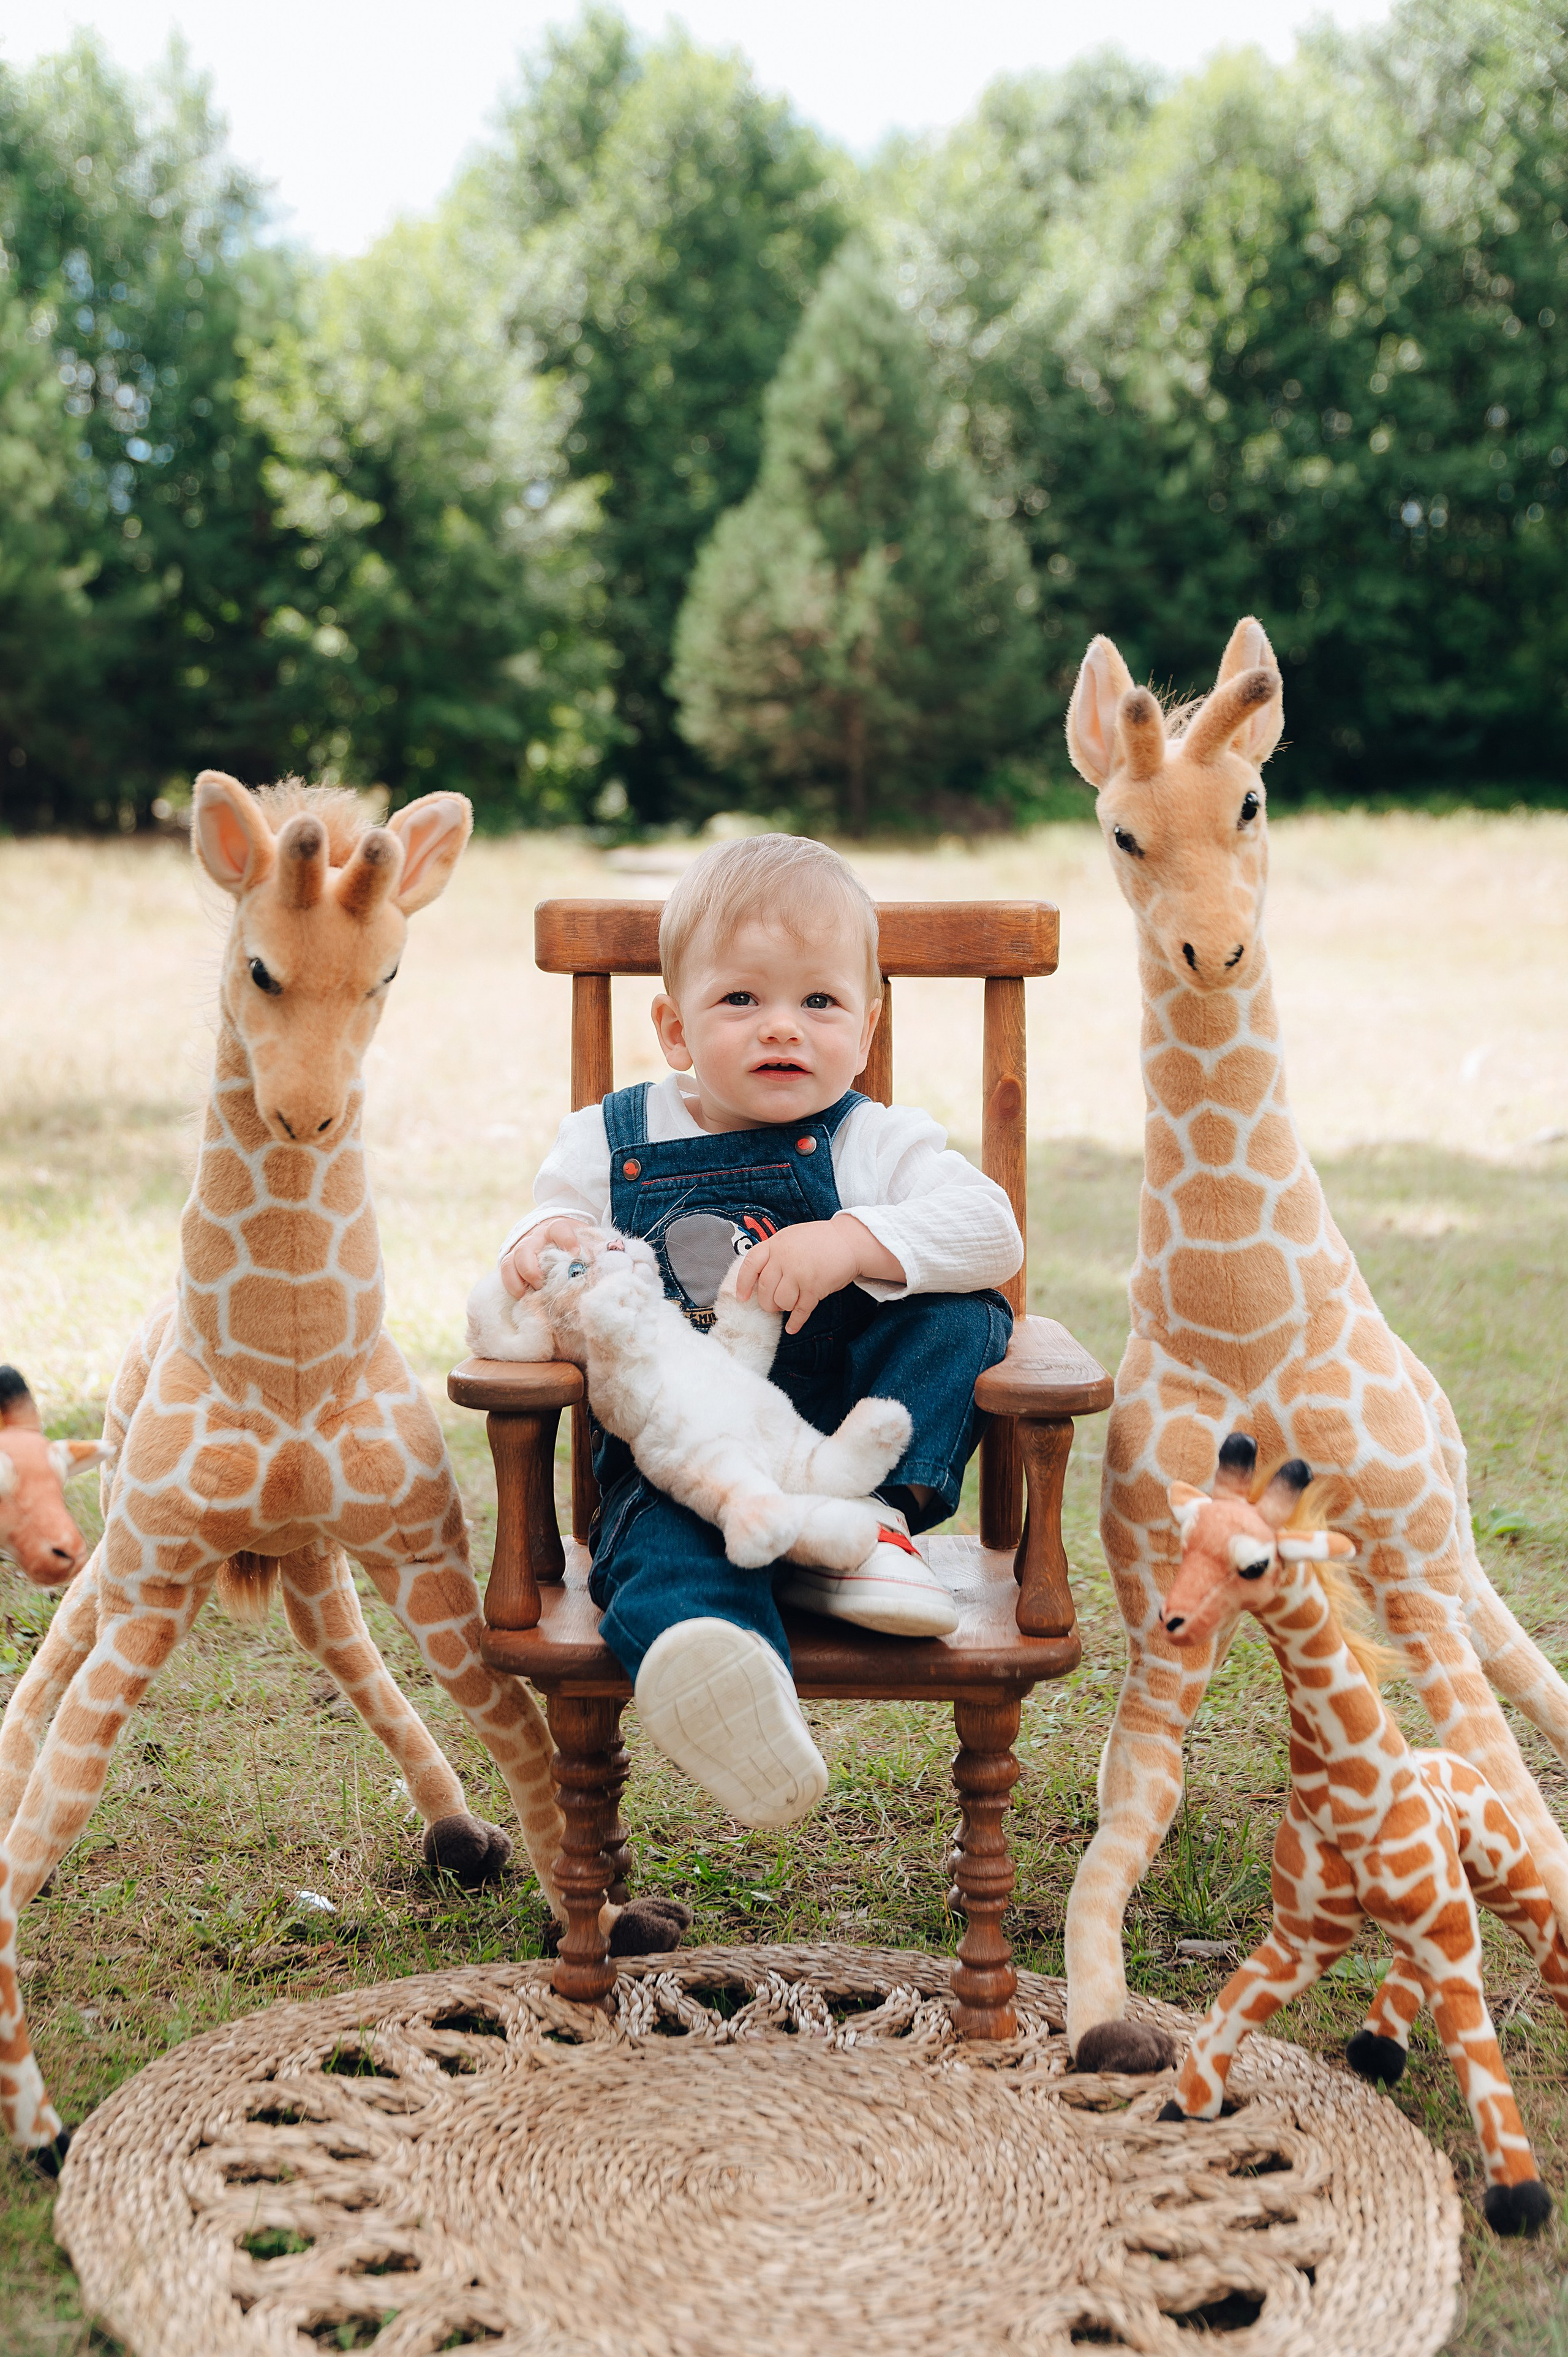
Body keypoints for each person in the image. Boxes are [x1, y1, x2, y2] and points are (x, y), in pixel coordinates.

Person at [496, 834, 1020, 1827]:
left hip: (838, 1449)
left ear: (866, 1028)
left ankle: (870, 1531)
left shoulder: (873, 1139)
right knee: (661, 1555)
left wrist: (854, 1240)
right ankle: (726, 1678)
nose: (783, 1027)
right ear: (676, 1026)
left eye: (818, 1002)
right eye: (742, 1000)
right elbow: (541, 1232)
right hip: (685, 1467)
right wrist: (539, 1243)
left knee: (965, 1314)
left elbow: (992, 1231)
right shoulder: (611, 1140)